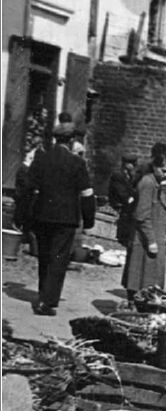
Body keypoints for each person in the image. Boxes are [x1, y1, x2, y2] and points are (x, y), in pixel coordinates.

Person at [23, 121, 95, 316]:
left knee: (44, 256)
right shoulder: (77, 163)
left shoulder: (41, 159)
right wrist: (88, 220)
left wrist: (23, 216)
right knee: (58, 258)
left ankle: (42, 293)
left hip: (42, 215)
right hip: (66, 219)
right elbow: (87, 193)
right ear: (71, 140)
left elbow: (27, 188)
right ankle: (48, 301)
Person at [122, 150, 166, 301]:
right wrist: (151, 240)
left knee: (148, 280)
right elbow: (142, 215)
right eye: (163, 170)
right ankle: (135, 306)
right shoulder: (148, 183)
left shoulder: (156, 183)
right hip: (144, 240)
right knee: (141, 279)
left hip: (154, 236)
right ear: (155, 167)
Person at [108, 153, 139, 247]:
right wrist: (131, 199)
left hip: (127, 204)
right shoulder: (118, 175)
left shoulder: (130, 175)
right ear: (125, 163)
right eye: (132, 164)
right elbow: (121, 192)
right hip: (118, 203)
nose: (133, 166)